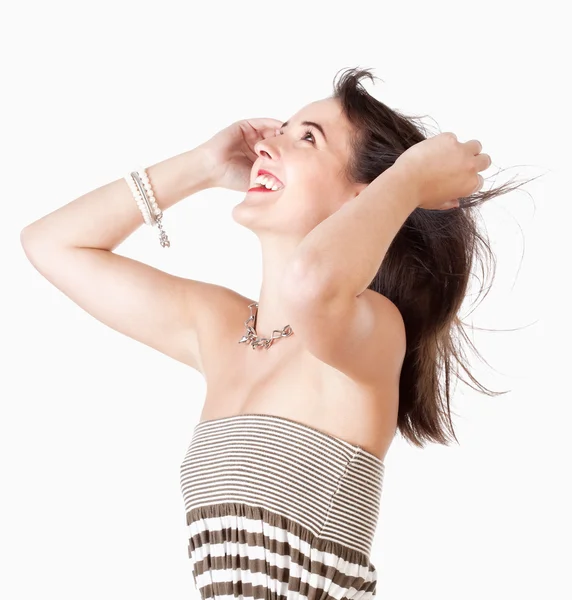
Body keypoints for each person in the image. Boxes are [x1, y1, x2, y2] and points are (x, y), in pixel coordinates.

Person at [20, 67, 526, 599]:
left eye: (307, 137)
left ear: (362, 197)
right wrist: (201, 167)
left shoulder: (371, 330)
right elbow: (51, 244)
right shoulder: (224, 329)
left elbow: (313, 284)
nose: (267, 144)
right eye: (280, 128)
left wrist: (408, 181)